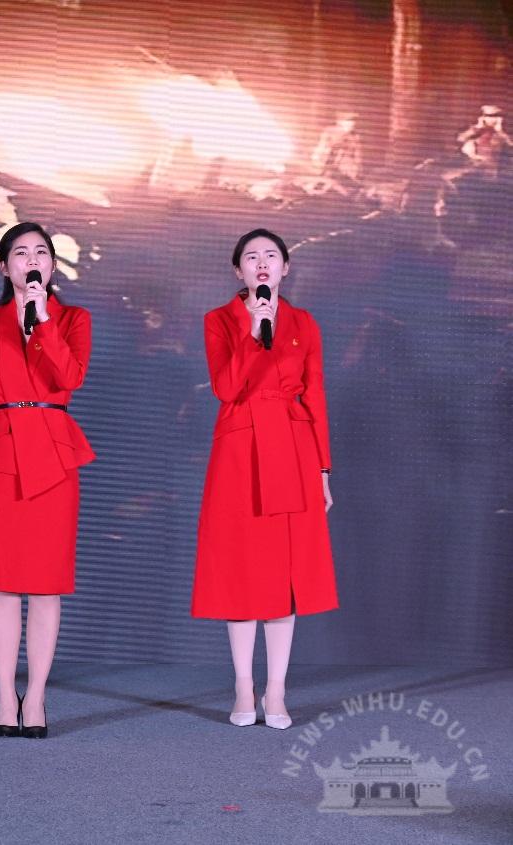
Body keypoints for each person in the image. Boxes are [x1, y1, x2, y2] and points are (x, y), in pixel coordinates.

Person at [191, 228, 337, 730]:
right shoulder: (219, 321)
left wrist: (322, 469)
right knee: (242, 567)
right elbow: (226, 387)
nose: (261, 263)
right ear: (238, 270)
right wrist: (254, 330)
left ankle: (276, 689)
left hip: (293, 449)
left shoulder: (304, 322)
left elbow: (315, 396)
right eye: (251, 257)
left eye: (270, 256)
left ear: (285, 268)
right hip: (239, 449)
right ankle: (242, 685)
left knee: (283, 573)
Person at [0, 222, 94, 739]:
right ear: (4, 266)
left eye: (41, 253)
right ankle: (2, 696)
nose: (31, 260)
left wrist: (43, 322)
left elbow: (69, 378)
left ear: (52, 266)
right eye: (20, 252)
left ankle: (35, 696)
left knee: (45, 586)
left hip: (54, 456)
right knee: (3, 586)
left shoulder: (73, 319)